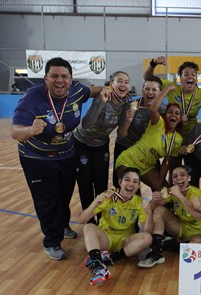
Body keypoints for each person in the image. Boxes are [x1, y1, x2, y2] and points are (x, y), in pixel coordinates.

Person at [11, 57, 101, 260]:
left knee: (64, 194)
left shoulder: (77, 90)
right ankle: (52, 241)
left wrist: (109, 89)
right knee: (47, 199)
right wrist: (30, 130)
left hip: (67, 154)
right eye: (54, 76)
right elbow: (15, 132)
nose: (59, 81)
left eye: (64, 76)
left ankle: (62, 225)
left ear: (71, 79)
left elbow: (92, 91)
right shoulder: (32, 98)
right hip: (37, 158)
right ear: (46, 78)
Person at [79, 167, 153, 286]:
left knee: (147, 238)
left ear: (139, 186)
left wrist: (149, 214)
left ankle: (108, 258)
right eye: (127, 180)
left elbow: (146, 231)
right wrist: (94, 204)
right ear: (120, 182)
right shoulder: (108, 197)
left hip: (125, 240)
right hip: (106, 237)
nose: (130, 184)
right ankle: (98, 266)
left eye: (135, 181)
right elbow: (82, 219)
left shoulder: (140, 202)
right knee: (88, 227)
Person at [74, 71, 130, 224]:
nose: (123, 85)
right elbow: (86, 124)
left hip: (101, 145)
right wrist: (101, 103)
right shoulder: (103, 97)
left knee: (101, 183)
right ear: (111, 84)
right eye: (120, 81)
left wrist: (128, 120)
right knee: (85, 183)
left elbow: (121, 134)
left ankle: (103, 219)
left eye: (126, 82)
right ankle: (90, 221)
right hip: (82, 143)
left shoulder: (127, 103)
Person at [115, 84, 183, 191]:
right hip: (128, 161)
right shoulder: (158, 123)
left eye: (177, 113)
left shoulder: (178, 139)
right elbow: (153, 109)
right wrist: (166, 89)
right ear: (165, 115)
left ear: (180, 119)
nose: (173, 115)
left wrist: (161, 182)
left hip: (147, 167)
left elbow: (166, 162)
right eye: (170, 112)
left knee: (164, 192)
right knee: (131, 194)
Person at [140, 166, 201, 267]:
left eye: (182, 175)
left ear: (189, 178)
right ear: (172, 181)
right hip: (181, 229)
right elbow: (154, 208)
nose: (179, 178)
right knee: (159, 211)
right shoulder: (171, 192)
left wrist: (180, 196)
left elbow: (197, 215)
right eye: (175, 176)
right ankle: (156, 253)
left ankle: (172, 245)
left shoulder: (196, 193)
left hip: (198, 232)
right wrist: (154, 199)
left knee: (197, 247)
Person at [113, 75, 165, 188]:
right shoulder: (130, 106)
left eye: (154, 89)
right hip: (126, 150)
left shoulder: (164, 110)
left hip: (148, 153)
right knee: (128, 190)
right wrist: (127, 121)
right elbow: (121, 136)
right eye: (147, 89)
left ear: (160, 92)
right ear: (142, 90)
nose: (150, 92)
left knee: (162, 189)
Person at [144, 57, 201, 139]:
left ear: (196, 79)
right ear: (181, 78)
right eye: (186, 74)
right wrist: (153, 63)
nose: (190, 77)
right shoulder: (172, 87)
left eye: (193, 74)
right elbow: (148, 78)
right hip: (171, 133)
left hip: (192, 135)